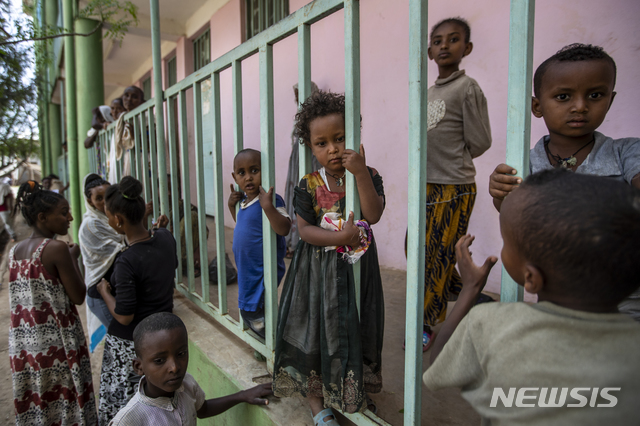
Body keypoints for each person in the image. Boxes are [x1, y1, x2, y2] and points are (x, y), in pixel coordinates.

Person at [424, 169, 640, 425]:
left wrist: (469, 289)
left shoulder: (493, 324)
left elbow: (438, 363)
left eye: (507, 243)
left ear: (531, 278)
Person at [488, 43, 640, 320]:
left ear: (611, 99)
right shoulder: (524, 163)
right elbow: (518, 221)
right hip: (558, 294)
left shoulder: (627, 152)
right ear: (537, 106)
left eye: (595, 95)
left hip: (626, 295)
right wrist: (501, 196)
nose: (580, 106)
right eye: (563, 96)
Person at [273, 90, 385, 423]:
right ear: (310, 147)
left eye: (340, 138)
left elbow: (374, 213)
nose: (333, 148)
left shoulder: (368, 173)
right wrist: (340, 237)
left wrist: (361, 173)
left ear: (355, 134)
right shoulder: (308, 184)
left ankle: (350, 391)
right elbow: (305, 231)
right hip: (317, 272)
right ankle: (316, 401)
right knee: (317, 330)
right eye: (322, 143)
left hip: (357, 269)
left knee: (354, 324)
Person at [417, 17, 492, 351]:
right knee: (418, 248)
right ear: (429, 50)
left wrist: (454, 156)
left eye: (453, 39)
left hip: (453, 186)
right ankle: (461, 289)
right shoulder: (428, 92)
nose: (444, 45)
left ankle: (427, 323)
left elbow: (480, 141)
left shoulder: (467, 88)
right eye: (437, 40)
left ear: (467, 48)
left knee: (435, 257)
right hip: (428, 185)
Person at [9, 181, 96, 424]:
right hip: (58, 345)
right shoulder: (57, 249)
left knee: (40, 404)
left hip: (25, 347)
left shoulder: (14, 252)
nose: (70, 217)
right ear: (42, 217)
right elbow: (78, 296)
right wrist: (73, 258)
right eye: (63, 212)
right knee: (67, 402)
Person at [95, 176, 177, 425]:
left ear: (118, 220)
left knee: (125, 408)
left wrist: (105, 292)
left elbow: (124, 315)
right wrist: (159, 228)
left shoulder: (126, 261)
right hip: (163, 328)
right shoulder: (165, 237)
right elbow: (166, 260)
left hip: (131, 343)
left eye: (109, 216)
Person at [109, 312, 273, 425]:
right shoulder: (129, 420)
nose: (174, 367)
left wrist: (242, 395)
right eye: (159, 360)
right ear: (139, 367)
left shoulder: (186, 384)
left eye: (181, 354)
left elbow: (203, 409)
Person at [228, 149, 291, 338]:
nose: (248, 178)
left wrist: (268, 207)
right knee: (250, 308)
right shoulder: (245, 202)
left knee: (259, 310)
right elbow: (242, 225)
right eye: (242, 173)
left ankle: (274, 345)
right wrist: (232, 206)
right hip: (248, 269)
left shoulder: (270, 199)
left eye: (254, 171)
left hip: (263, 269)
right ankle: (264, 342)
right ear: (235, 177)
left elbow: (284, 228)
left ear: (266, 171)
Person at [79, 173, 125, 351]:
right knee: (122, 343)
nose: (105, 202)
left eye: (108, 196)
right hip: (101, 293)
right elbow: (121, 252)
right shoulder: (92, 225)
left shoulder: (111, 218)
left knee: (122, 343)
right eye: (99, 198)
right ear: (90, 202)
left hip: (112, 290)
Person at [284, 82, 320, 257]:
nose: (297, 100)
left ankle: (305, 242)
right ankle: (292, 242)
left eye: (300, 96)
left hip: (311, 161)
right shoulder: (301, 117)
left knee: (311, 195)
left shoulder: (316, 118)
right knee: (297, 195)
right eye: (296, 96)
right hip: (298, 161)